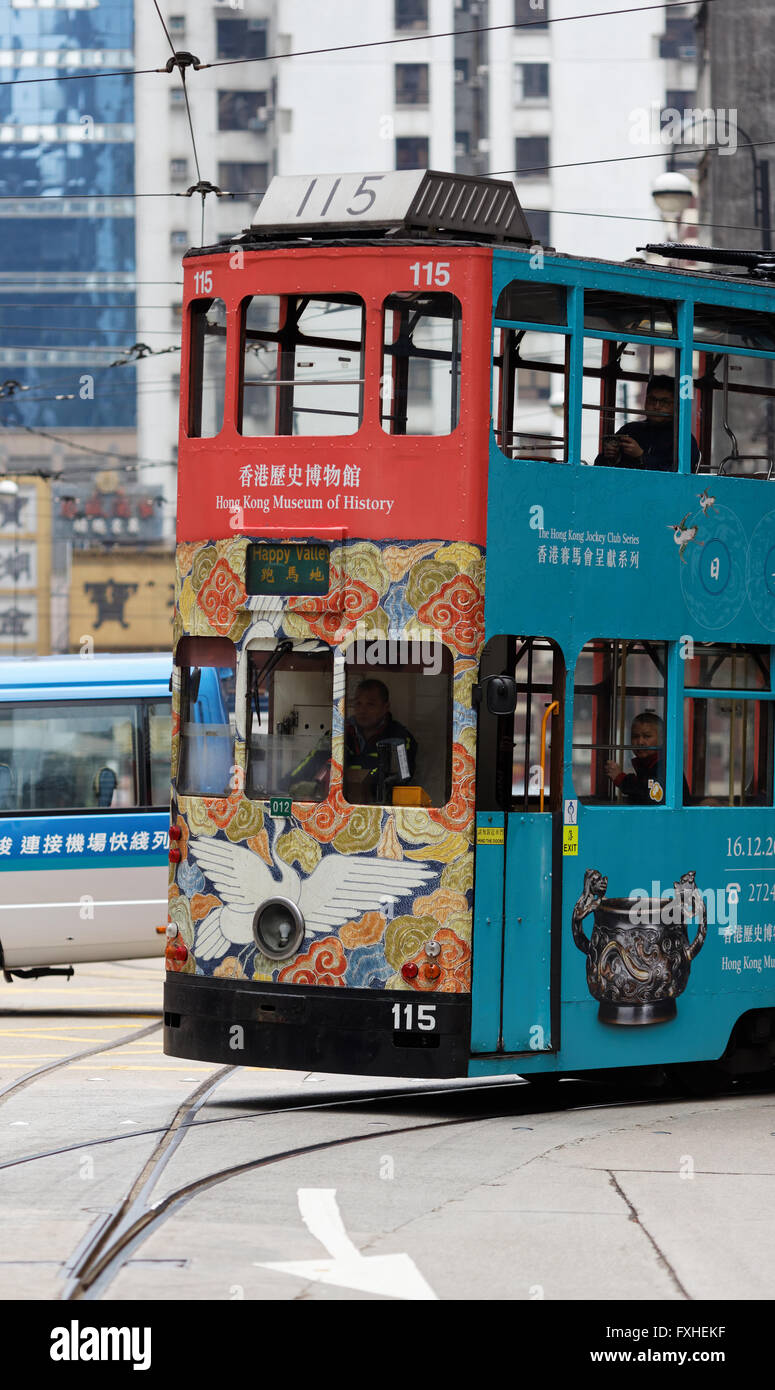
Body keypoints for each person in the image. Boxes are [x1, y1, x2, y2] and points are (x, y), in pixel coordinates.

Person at [595, 376, 700, 472]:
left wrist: (641, 456)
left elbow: (678, 475)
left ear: (676, 406)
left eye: (664, 402)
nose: (656, 406)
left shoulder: (683, 439)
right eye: (652, 400)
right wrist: (611, 457)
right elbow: (598, 468)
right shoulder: (630, 430)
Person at [344, 678, 417, 803]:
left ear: (385, 707)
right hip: (340, 807)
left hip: (383, 810)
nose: (362, 710)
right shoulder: (339, 732)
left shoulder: (400, 737)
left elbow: (403, 777)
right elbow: (312, 763)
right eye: (358, 703)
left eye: (370, 704)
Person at [605, 710, 667, 805]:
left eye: (647, 736)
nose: (640, 742)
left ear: (662, 739)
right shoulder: (645, 764)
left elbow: (649, 794)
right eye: (635, 736)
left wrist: (621, 779)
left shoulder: (664, 765)